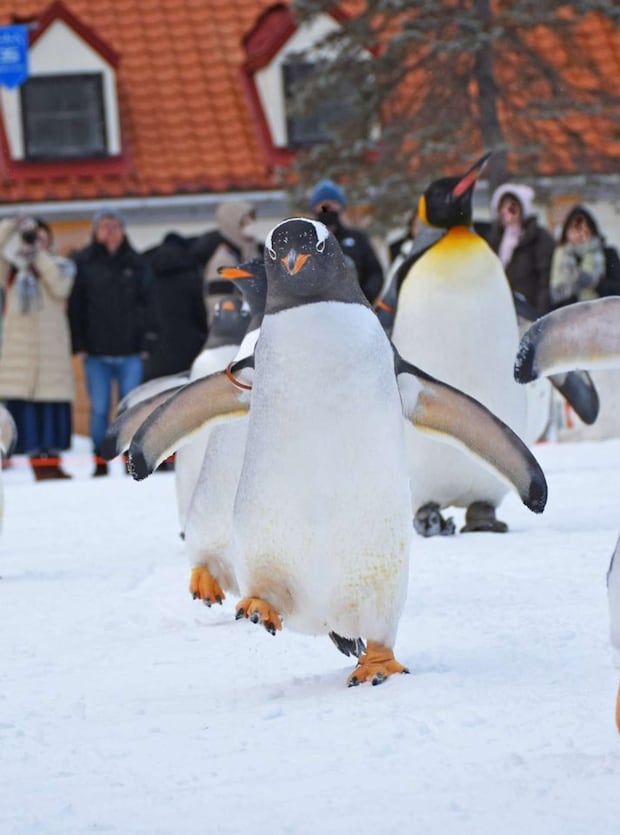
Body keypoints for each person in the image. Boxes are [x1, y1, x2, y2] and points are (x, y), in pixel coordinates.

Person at [68, 209, 158, 476]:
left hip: (131, 350)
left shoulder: (137, 262)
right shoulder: (83, 264)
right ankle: (100, 458)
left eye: (116, 226)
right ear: (95, 231)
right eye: (105, 226)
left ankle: (130, 455)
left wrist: (147, 341)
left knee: (130, 406)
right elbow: (76, 307)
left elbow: (150, 304)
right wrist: (79, 344)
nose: (110, 231)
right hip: (96, 352)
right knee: (99, 408)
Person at [0, 216, 76, 480]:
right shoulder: (10, 270)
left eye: (41, 236)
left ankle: (52, 463)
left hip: (51, 355)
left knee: (51, 413)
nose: (36, 241)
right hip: (20, 357)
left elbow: (60, 286)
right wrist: (12, 226)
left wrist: (38, 255)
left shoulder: (61, 265)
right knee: (28, 413)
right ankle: (36, 464)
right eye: (32, 237)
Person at [478, 183, 555, 315]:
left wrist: (541, 313)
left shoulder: (538, 237)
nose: (509, 211)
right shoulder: (494, 238)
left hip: (528, 308)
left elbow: (545, 278)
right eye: (504, 206)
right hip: (499, 306)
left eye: (513, 205)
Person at [142, 231, 209, 381]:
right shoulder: (192, 278)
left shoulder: (149, 278)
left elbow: (144, 314)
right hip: (189, 349)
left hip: (158, 351)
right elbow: (201, 315)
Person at [308, 179, 384, 304]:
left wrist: (363, 299)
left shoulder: (357, 238)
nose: (327, 207)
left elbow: (375, 273)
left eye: (332, 202)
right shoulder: (304, 241)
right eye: (322, 203)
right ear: (314, 208)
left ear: (341, 207)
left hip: (353, 310)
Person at [192, 199, 260, 324]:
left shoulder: (251, 253)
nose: (250, 225)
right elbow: (218, 304)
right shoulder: (224, 260)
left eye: (251, 220)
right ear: (232, 223)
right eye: (244, 222)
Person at [549, 204, 620, 309]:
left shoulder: (608, 253)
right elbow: (553, 298)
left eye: (583, 229)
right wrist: (572, 288)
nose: (579, 235)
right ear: (566, 232)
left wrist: (595, 282)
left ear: (592, 230)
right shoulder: (560, 255)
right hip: (570, 318)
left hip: (603, 314)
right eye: (574, 229)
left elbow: (617, 291)